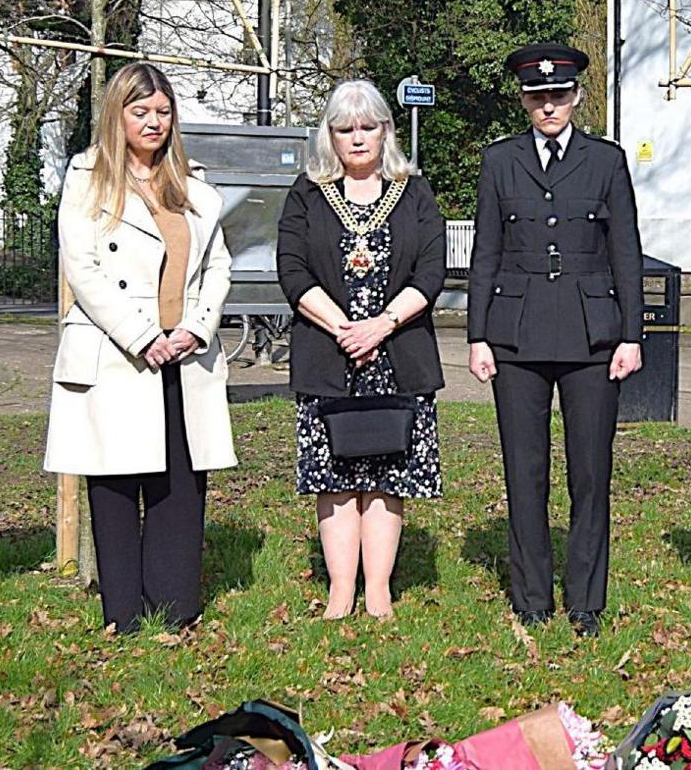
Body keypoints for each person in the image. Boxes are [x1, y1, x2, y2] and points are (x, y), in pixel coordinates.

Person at [44, 62, 236, 633]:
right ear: (117, 115)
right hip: (118, 354)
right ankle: (123, 614)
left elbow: (217, 266)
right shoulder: (87, 177)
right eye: (140, 112)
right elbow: (81, 267)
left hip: (186, 355)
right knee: (117, 482)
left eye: (162, 111)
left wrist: (197, 328)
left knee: (181, 480)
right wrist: (141, 335)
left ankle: (176, 607)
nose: (154, 122)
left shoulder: (195, 185)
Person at [467, 43, 644, 638]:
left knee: (590, 473)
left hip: (594, 337)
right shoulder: (500, 162)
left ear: (576, 97)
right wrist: (477, 335)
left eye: (559, 96)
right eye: (537, 97)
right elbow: (485, 250)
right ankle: (532, 597)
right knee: (526, 470)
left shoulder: (606, 161)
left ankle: (586, 601)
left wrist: (632, 334)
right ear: (523, 100)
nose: (549, 106)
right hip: (515, 336)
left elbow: (625, 251)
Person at [277, 80, 445, 620]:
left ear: (386, 131)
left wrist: (381, 326)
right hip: (329, 357)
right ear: (329, 135)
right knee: (335, 480)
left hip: (399, 354)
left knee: (387, 480)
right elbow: (292, 270)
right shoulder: (306, 193)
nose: (356, 138)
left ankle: (379, 591)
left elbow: (432, 270)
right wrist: (346, 328)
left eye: (367, 127)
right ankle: (339, 590)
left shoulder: (415, 193)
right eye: (345, 129)